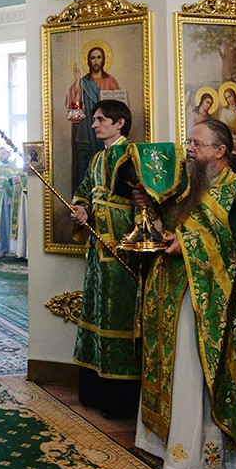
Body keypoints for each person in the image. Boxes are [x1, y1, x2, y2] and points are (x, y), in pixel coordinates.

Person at [137, 118, 236, 469]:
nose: (190, 150)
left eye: (197, 144)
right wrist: (150, 208)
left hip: (212, 298)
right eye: (189, 143)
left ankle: (198, 458)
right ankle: (164, 444)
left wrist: (187, 244)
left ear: (221, 151)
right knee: (174, 365)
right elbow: (175, 221)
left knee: (195, 369)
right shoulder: (188, 185)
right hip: (175, 289)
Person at [68, 99, 141, 419]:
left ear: (119, 123)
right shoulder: (97, 158)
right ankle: (94, 391)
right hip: (98, 251)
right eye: (94, 119)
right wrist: (81, 209)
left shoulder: (133, 154)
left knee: (118, 316)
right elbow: (84, 192)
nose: (94, 125)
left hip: (122, 249)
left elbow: (144, 202)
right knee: (97, 314)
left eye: (100, 120)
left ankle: (119, 400)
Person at [67, 45, 121, 192]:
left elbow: (119, 108)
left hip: (106, 130)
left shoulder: (110, 81)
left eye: (99, 57)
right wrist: (77, 81)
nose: (96, 61)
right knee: (84, 161)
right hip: (86, 129)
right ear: (88, 61)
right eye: (92, 58)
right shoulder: (82, 82)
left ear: (103, 60)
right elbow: (73, 104)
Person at [0, 145, 26, 258]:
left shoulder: (14, 168)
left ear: (9, 154)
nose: (1, 156)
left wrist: (11, 198)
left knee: (5, 223)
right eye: (0, 154)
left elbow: (14, 185)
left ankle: (6, 248)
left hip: (6, 199)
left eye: (4, 153)